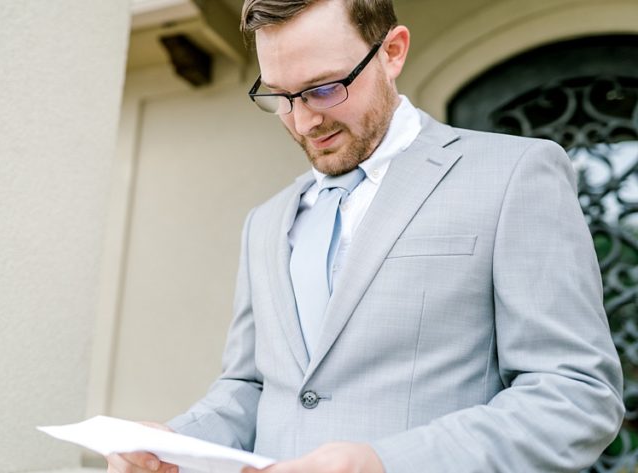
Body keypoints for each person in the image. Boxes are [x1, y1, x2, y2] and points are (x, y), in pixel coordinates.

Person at [106, 0, 624, 472]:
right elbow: (253, 387)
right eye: (279, 96)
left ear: (393, 52)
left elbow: (574, 394)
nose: (304, 120)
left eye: (324, 88)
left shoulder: (514, 175)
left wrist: (384, 463)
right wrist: (172, 442)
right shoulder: (265, 221)